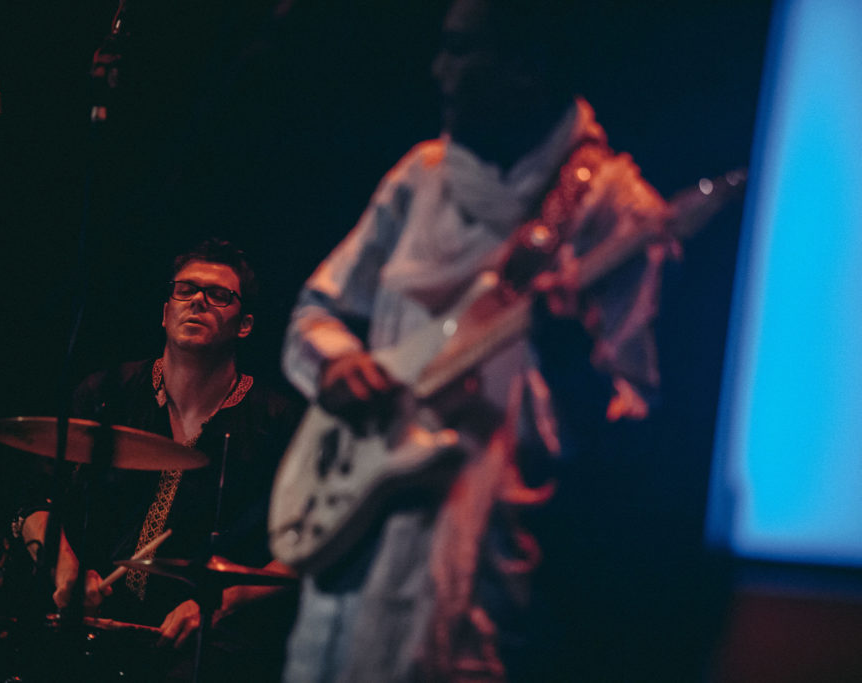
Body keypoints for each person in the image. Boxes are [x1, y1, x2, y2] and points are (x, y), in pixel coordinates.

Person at [278, 1, 671, 680]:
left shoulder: (620, 211)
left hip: (485, 576)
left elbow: (631, 428)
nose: (440, 71)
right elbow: (316, 311)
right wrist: (339, 366)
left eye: (462, 50)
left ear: (528, 67)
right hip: (354, 547)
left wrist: (568, 360)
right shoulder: (420, 177)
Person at [19, 238, 300, 682]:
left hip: (208, 649)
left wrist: (217, 604)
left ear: (244, 325)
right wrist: (67, 570)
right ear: (165, 312)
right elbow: (36, 503)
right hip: (89, 631)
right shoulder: (106, 395)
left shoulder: (275, 421)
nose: (199, 301)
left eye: (219, 294)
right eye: (185, 290)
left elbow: (305, 550)